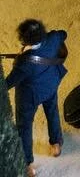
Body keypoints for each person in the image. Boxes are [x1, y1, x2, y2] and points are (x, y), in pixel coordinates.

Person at [6, 19, 66, 173]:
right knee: (52, 112)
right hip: (51, 84)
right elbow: (63, 34)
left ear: (24, 40)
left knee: (24, 125)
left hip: (30, 96)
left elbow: (8, 83)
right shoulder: (52, 38)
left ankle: (28, 164)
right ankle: (56, 145)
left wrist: (21, 57)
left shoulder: (23, 63)